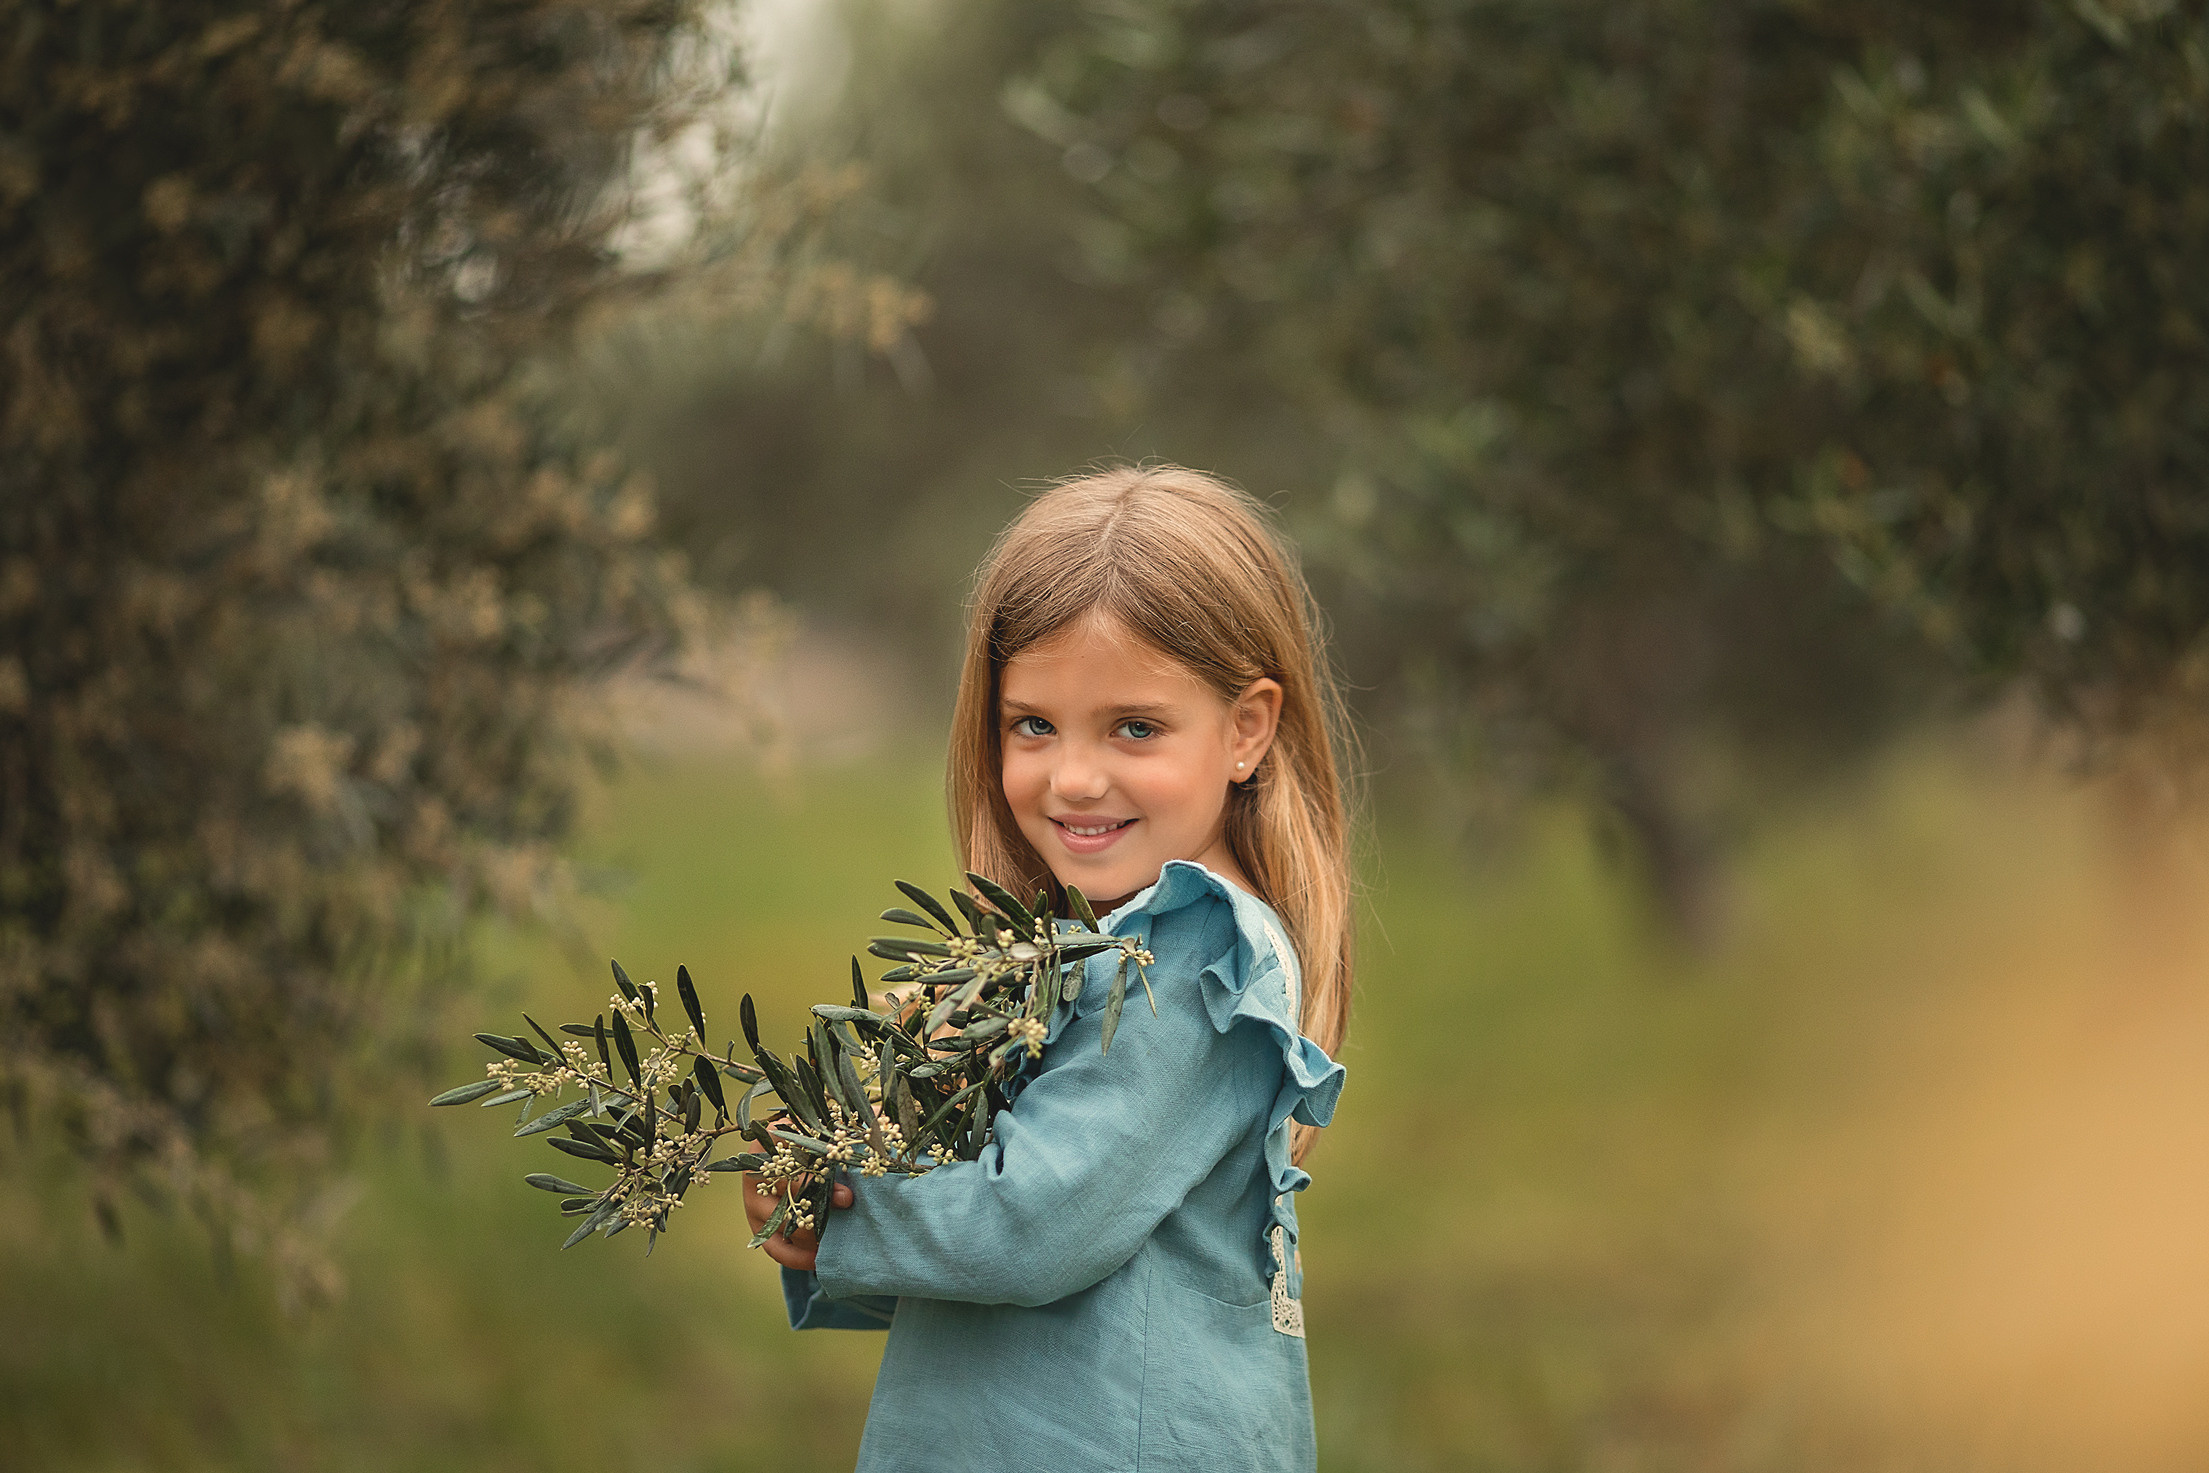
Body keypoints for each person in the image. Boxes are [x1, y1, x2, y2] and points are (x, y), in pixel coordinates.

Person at [745, 464, 1354, 1472]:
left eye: (1135, 727)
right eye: (1034, 724)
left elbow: (1033, 1225)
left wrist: (848, 1210)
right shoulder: (1090, 945)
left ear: (1246, 729)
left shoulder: (1195, 952)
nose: (1073, 777)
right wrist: (824, 1211)